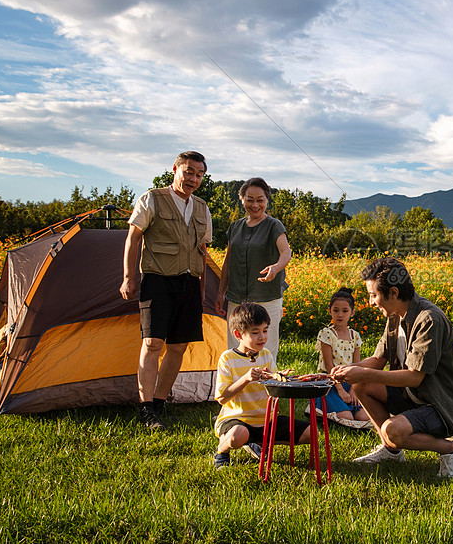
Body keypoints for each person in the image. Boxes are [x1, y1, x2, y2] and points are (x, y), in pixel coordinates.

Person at [330, 257, 453, 478]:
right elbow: (378, 360)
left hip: (442, 404)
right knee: (361, 384)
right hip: (413, 396)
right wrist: (342, 372)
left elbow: (415, 377)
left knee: (392, 429)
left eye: (373, 295)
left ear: (394, 293)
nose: (371, 302)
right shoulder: (395, 316)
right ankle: (391, 451)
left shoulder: (429, 319)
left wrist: (362, 372)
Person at [120, 151, 212, 430]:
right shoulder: (152, 199)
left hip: (189, 283)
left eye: (199, 174)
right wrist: (128, 277)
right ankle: (146, 408)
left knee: (178, 347)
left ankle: (159, 403)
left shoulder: (202, 208)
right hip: (157, 280)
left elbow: (203, 252)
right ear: (175, 169)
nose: (193, 179)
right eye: (189, 172)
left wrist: (205, 291)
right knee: (152, 344)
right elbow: (133, 238)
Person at [213, 302, 311, 469]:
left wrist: (277, 378)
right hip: (237, 419)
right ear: (238, 334)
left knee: (311, 433)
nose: (262, 337)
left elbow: (274, 389)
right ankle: (222, 451)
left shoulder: (265, 355)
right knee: (239, 435)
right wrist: (245, 379)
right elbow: (222, 397)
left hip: (266, 419)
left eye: (265, 331)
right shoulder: (227, 358)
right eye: (255, 332)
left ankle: (258, 441)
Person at [215, 177, 291, 359]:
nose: (255, 205)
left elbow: (286, 252)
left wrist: (276, 267)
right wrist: (220, 292)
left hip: (267, 296)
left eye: (260, 200)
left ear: (267, 200)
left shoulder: (274, 225)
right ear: (241, 199)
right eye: (249, 199)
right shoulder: (235, 227)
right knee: (236, 347)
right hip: (236, 296)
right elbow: (228, 261)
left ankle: (263, 386)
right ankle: (237, 386)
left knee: (265, 350)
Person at [314, 288, 369, 421]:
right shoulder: (326, 334)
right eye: (336, 310)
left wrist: (353, 390)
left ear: (352, 312)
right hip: (331, 383)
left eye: (345, 311)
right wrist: (340, 390)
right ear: (329, 311)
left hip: (350, 383)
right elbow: (328, 364)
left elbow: (357, 365)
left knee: (364, 417)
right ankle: (323, 408)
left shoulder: (354, 336)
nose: (340, 315)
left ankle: (350, 405)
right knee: (346, 417)